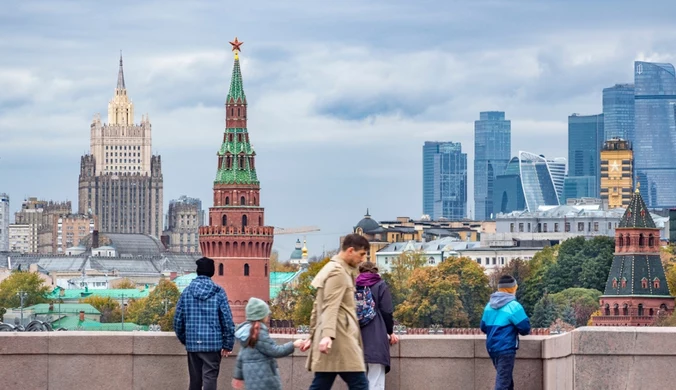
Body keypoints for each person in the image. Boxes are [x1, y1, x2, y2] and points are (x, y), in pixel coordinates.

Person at [300, 233, 371, 390]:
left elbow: (317, 306)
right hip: (340, 338)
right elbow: (330, 306)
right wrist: (326, 336)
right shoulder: (338, 272)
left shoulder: (334, 269)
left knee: (321, 384)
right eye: (361, 254)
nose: (363, 259)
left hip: (333, 338)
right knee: (359, 384)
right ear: (350, 250)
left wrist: (314, 335)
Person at [174, 257, 235, 390]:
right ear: (212, 272)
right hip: (213, 345)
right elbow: (227, 320)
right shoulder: (219, 292)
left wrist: (186, 339)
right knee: (210, 378)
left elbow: (178, 320)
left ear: (198, 271)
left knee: (195, 381)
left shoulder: (186, 292)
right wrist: (228, 344)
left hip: (193, 345)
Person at [231, 298, 306, 390]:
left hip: (250, 380)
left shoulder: (246, 333)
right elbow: (275, 351)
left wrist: (237, 377)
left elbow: (240, 357)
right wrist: (293, 345)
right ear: (261, 315)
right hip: (265, 380)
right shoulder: (259, 332)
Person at [480, 275, 531, 390]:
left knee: (506, 380)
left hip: (492, 348)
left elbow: (483, 327)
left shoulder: (489, 306)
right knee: (503, 383)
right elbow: (525, 328)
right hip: (506, 348)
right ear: (513, 288)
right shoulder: (514, 306)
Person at [355, 261, 399, 390]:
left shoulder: (353, 285)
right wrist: (390, 332)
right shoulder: (380, 285)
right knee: (375, 382)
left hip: (355, 339)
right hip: (376, 336)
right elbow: (387, 310)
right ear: (375, 271)